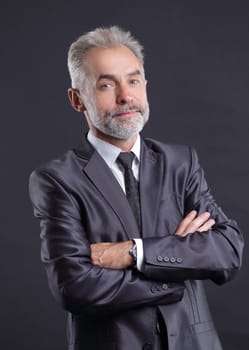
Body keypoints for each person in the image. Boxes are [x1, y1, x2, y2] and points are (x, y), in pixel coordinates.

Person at [29, 26, 244, 350]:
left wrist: (134, 252)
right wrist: (177, 265)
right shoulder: (57, 180)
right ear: (77, 99)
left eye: (133, 80)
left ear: (145, 86)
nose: (125, 96)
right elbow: (75, 287)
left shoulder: (180, 163)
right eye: (105, 84)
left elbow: (228, 251)